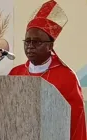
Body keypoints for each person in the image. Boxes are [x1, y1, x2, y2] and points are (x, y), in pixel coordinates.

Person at [8, 1, 86, 140]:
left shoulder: (67, 77)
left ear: (50, 46)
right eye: (27, 41)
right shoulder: (16, 73)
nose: (30, 46)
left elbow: (76, 120)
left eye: (37, 41)